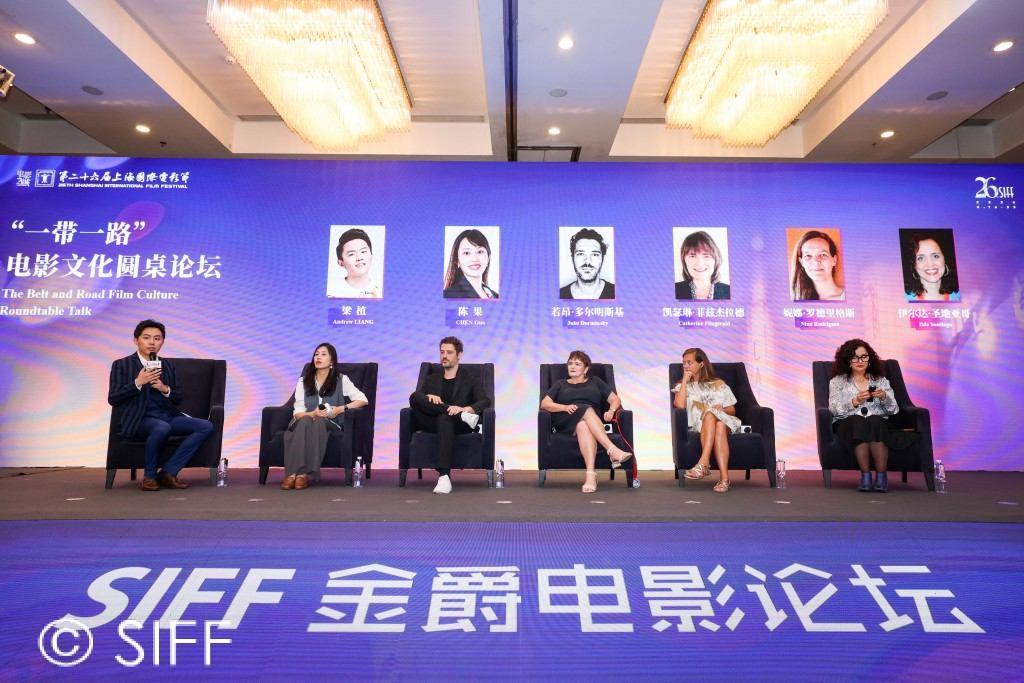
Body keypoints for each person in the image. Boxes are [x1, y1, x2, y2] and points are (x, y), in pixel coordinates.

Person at [107, 319, 214, 491]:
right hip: (139, 419)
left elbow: (178, 397)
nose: (152, 342)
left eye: (157, 338)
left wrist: (164, 388)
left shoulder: (167, 365)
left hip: (167, 416)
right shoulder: (122, 364)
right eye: (147, 338)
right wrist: (138, 382)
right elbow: (113, 398)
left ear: (162, 342)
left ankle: (168, 472)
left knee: (205, 426)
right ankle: (149, 477)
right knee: (161, 427)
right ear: (136, 340)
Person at [540, 350, 632, 493]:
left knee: (583, 425)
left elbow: (615, 399)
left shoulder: (596, 381)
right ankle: (612, 450)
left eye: (577, 364)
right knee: (586, 409)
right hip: (565, 420)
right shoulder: (560, 384)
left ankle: (590, 475)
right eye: (570, 363)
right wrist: (564, 407)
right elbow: (545, 404)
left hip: (590, 422)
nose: (572, 366)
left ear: (586, 369)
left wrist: (611, 410)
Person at [281, 343, 368, 490]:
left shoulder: (341, 380)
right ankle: (297, 474)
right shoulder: (303, 381)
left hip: (330, 421)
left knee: (319, 421)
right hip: (304, 420)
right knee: (306, 420)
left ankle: (298, 474)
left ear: (331, 360)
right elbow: (298, 412)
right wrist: (312, 413)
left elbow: (363, 400)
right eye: (316, 354)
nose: (318, 357)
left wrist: (339, 409)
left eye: (323, 354)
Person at [408, 336, 490, 494]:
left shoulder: (470, 379)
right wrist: (428, 397)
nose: (444, 356)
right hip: (431, 422)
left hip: (458, 426)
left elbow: (485, 401)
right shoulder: (431, 379)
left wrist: (466, 409)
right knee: (414, 396)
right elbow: (418, 399)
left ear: (459, 355)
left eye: (449, 352)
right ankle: (457, 415)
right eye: (442, 352)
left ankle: (444, 476)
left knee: (444, 418)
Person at [828, 339, 899, 492]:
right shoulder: (837, 382)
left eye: (864, 357)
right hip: (848, 422)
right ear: (847, 361)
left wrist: (884, 397)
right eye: (855, 357)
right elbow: (833, 409)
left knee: (875, 421)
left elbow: (894, 410)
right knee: (858, 421)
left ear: (869, 358)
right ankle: (865, 476)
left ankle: (881, 477)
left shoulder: (881, 381)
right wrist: (854, 401)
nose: (860, 361)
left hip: (876, 422)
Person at [672, 348, 740, 493]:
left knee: (712, 415)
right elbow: (680, 406)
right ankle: (724, 479)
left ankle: (703, 463)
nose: (685, 366)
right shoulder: (682, 386)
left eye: (689, 362)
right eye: (684, 363)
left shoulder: (718, 383)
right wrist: (684, 380)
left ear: (701, 364)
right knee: (719, 426)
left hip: (726, 421)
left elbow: (732, 410)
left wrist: (721, 409)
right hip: (702, 425)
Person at [903, 231, 961, 302]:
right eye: (921, 258)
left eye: (935, 256)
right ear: (914, 265)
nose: (930, 264)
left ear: (945, 259)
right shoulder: (902, 300)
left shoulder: (960, 296)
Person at [559, 228, 615, 299]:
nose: (587, 262)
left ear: (602, 258)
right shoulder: (560, 294)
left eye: (595, 254)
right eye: (580, 254)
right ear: (572, 258)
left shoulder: (616, 292)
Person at [444, 229, 499, 299]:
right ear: (457, 261)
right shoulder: (448, 296)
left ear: (488, 258)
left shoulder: (496, 296)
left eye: (480, 252)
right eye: (467, 253)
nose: (474, 259)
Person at [675, 230, 731, 300]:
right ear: (684, 260)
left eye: (706, 256)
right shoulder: (674, 290)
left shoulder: (729, 291)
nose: (700, 263)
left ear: (715, 260)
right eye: (692, 256)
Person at [791, 230, 845, 301]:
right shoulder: (795, 300)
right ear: (802, 262)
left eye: (823, 255)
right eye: (808, 256)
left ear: (834, 260)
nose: (815, 261)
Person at [331, 228, 381, 298]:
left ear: (371, 255)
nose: (359, 258)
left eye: (363, 251)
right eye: (351, 254)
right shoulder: (332, 291)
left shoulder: (381, 289)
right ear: (341, 263)